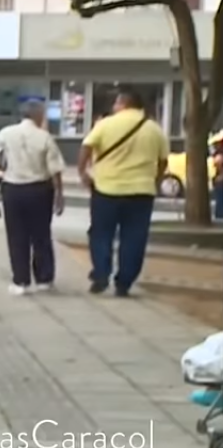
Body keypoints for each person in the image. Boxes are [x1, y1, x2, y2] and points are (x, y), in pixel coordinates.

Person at [77, 87, 169, 296]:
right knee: (134, 238)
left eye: (116, 103)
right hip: (141, 192)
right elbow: (163, 160)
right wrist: (155, 180)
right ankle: (124, 282)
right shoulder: (154, 129)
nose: (114, 107)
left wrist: (83, 172)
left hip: (106, 189)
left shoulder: (105, 124)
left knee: (101, 234)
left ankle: (101, 274)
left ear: (123, 104)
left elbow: (87, 146)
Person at [0, 101, 66, 295]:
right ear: (38, 115)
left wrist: (1, 172)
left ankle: (20, 281)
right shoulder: (45, 137)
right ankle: (44, 279)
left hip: (13, 188)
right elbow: (55, 169)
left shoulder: (5, 133)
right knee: (41, 234)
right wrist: (59, 194)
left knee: (16, 235)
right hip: (40, 189)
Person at [211, 134, 223, 220]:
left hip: (219, 179)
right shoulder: (219, 155)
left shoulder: (218, 154)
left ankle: (219, 216)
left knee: (220, 199)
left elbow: (217, 163)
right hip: (219, 179)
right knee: (220, 199)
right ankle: (219, 215)